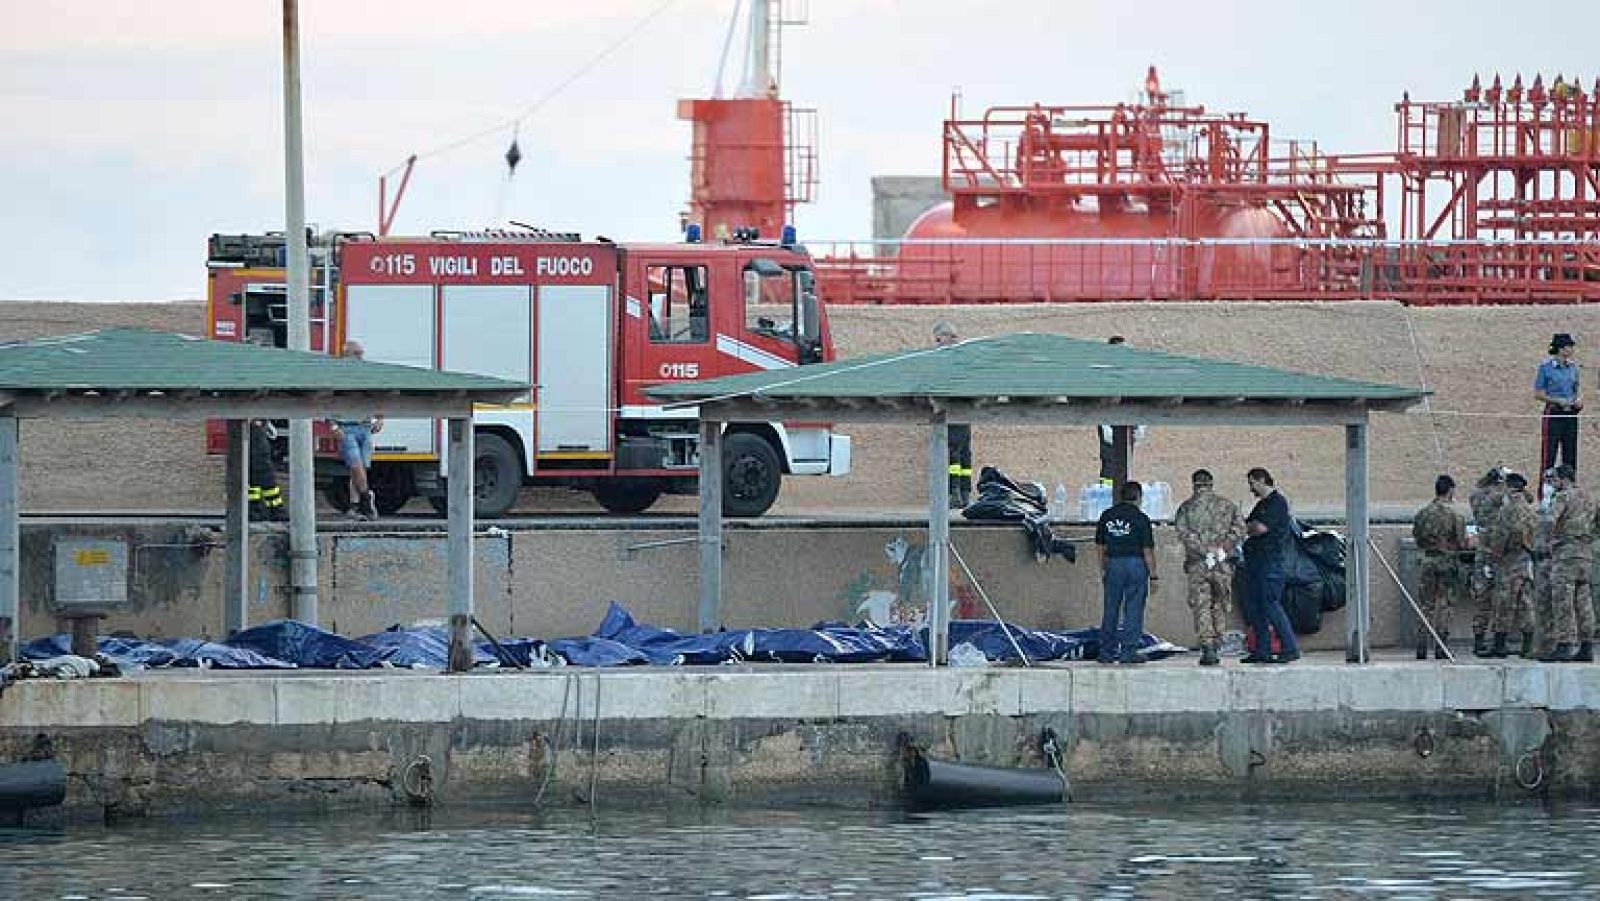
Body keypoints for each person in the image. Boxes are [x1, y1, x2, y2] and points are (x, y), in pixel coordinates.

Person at [1172, 469, 1245, 666]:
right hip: (1222, 564)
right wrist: (1222, 548)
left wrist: (1204, 551)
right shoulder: (1227, 505)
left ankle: (1208, 647)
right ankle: (1218, 639)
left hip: (1198, 564)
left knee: (1201, 605)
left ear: (1194, 484)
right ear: (1211, 483)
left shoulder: (1186, 508)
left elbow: (1184, 534)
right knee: (1220, 603)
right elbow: (1240, 529)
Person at [1094, 480, 1158, 665]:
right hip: (1136, 564)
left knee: (1110, 608)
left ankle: (1106, 652)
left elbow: (1100, 546)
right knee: (1133, 608)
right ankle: (1128, 652)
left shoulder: (1107, 515)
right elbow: (1148, 550)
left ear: (1121, 496)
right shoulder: (1141, 518)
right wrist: (1153, 575)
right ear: (1138, 497)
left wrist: (1103, 567)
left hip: (1113, 563)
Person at [1242, 467, 1300, 664]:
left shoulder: (1277, 503)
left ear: (1261, 480)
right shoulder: (1262, 505)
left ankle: (1290, 648)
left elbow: (1259, 527)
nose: (1251, 488)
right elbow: (1249, 525)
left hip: (1271, 562)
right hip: (1257, 561)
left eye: (1252, 483)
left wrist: (1248, 527)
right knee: (1256, 607)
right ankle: (1262, 649)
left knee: (1270, 604)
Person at [1542, 464, 1597, 662]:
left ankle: (1564, 645)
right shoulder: (1589, 498)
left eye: (1555, 479)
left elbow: (1550, 520)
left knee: (1562, 600)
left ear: (1564, 479)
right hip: (1585, 554)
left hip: (1565, 555)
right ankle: (1586, 646)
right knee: (1584, 601)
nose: (1554, 483)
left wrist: (1548, 541)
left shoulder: (1562, 496)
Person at [1411, 475, 1467, 659]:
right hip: (1447, 563)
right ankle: (1441, 647)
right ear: (1450, 490)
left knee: (1425, 604)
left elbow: (1417, 537)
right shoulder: (1455, 515)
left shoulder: (1423, 513)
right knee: (1445, 604)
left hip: (1427, 561)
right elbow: (1461, 542)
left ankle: (1421, 646)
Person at [329, 340, 384, 521]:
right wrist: (333, 425)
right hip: (345, 426)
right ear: (347, 355)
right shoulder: (337, 377)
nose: (361, 358)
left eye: (362, 354)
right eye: (357, 354)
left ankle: (355, 505)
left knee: (360, 469)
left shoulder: (367, 375)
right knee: (355, 464)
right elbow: (326, 400)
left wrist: (380, 418)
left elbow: (378, 395)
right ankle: (367, 499)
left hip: (364, 426)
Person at [1486, 471, 1537, 658]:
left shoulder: (1507, 510)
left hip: (1509, 560)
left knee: (1504, 602)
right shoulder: (1530, 510)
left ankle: (1499, 644)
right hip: (1526, 559)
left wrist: (1495, 556)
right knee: (1526, 602)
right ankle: (1528, 645)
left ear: (1510, 487)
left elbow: (1501, 536)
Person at [1466, 468, 1507, 656]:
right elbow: (1526, 498)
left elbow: (1478, 490)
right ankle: (1498, 642)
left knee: (1482, 598)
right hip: (1497, 551)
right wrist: (1508, 479)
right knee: (1500, 598)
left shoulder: (1476, 496)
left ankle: (1479, 640)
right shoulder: (1497, 496)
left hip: (1483, 551)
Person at [933, 322, 972, 508]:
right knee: (964, 453)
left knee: (953, 453)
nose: (937, 343)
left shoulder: (947, 357)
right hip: (965, 410)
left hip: (953, 409)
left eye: (938, 339)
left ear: (945, 337)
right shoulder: (963, 356)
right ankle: (965, 493)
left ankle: (954, 493)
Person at [1534, 333, 1581, 478]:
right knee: (1549, 454)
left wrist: (1578, 402)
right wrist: (1556, 400)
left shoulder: (1573, 368)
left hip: (1571, 414)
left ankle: (1569, 488)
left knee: (1570, 454)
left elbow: (1575, 391)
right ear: (1560, 348)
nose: (1571, 349)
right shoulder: (1545, 368)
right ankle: (1545, 490)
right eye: (1568, 346)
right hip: (1554, 413)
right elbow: (1538, 394)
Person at [247, 419, 287, 522]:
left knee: (254, 480)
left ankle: (255, 509)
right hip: (258, 451)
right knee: (262, 475)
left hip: (256, 446)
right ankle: (275, 510)